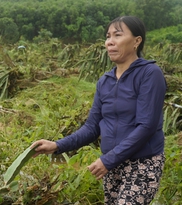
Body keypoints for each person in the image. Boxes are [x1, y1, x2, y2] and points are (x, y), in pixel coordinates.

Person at [31, 16, 166, 205]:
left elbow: (147, 126)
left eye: (117, 35)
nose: (110, 41)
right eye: (108, 36)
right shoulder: (105, 81)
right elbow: (92, 127)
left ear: (137, 41)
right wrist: (57, 145)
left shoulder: (149, 74)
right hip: (112, 164)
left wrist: (108, 160)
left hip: (142, 163)